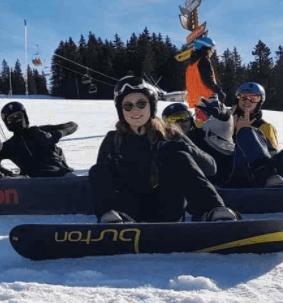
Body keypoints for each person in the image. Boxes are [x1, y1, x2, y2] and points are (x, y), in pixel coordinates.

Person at [88, 76, 238, 223]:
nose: (135, 110)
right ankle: (110, 219)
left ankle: (213, 209)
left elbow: (211, 167)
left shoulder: (169, 133)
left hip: (168, 208)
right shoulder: (113, 140)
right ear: (121, 111)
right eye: (128, 106)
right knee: (99, 169)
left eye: (141, 104)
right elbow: (100, 180)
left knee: (180, 156)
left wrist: (183, 148)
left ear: (151, 106)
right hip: (128, 212)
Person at [0, 101, 78, 177]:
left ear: (25, 117)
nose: (16, 120)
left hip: (60, 176)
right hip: (32, 182)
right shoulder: (9, 145)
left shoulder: (40, 131)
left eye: (19, 116)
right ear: (7, 123)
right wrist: (8, 174)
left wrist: (58, 133)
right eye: (11, 119)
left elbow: (72, 125)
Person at [162, 101, 235, 186]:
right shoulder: (164, 145)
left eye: (183, 116)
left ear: (190, 119)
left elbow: (223, 135)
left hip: (217, 186)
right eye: (172, 120)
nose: (180, 122)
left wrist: (224, 120)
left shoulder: (203, 135)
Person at [185, 37, 225, 122]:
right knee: (215, 125)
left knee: (203, 126)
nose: (212, 51)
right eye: (212, 49)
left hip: (197, 102)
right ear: (205, 49)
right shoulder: (204, 61)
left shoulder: (191, 65)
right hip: (208, 100)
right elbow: (208, 79)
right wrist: (219, 91)